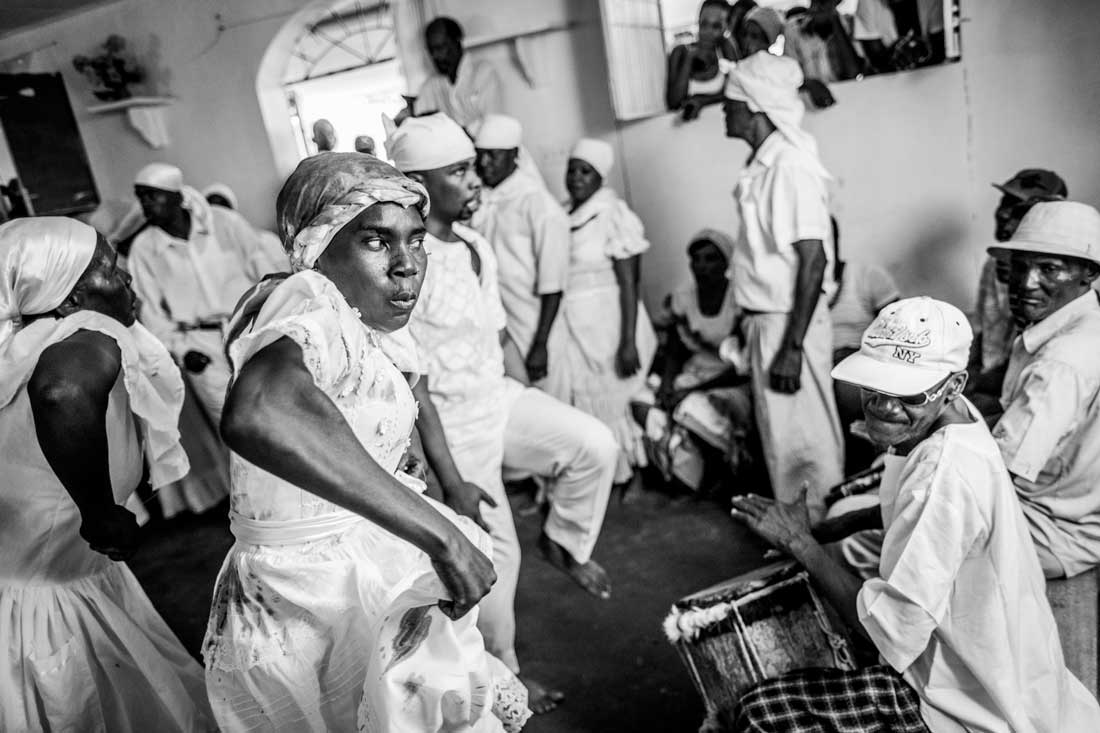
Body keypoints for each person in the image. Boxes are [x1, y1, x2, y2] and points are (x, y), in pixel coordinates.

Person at [201, 152, 529, 732]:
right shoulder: (309, 302)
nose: (408, 266)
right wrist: (444, 539)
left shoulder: (358, 323)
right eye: (376, 241)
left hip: (357, 565)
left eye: (416, 241)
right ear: (316, 247)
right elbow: (260, 410)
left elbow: (376, 407)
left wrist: (431, 478)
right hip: (306, 596)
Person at [730, 297, 1100, 732]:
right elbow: (919, 508)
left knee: (758, 711)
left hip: (969, 701)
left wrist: (801, 544)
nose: (884, 407)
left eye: (907, 393)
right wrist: (840, 524)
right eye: (874, 387)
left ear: (955, 383)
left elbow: (889, 634)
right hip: (1004, 667)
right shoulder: (956, 421)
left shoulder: (945, 473)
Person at [383, 113, 618, 713]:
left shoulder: (475, 247)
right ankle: (506, 678)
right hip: (451, 426)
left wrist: (530, 389)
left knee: (594, 445)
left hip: (499, 400)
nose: (473, 180)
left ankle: (564, 541)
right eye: (458, 170)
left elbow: (498, 334)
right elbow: (413, 380)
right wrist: (449, 477)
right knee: (492, 557)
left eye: (470, 167)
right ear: (417, 182)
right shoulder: (404, 259)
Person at [0, 217, 214, 731]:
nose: (127, 281)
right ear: (69, 296)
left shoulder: (25, 345)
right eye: (111, 271)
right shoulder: (83, 330)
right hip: (49, 596)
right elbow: (62, 393)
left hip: (44, 573)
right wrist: (99, 512)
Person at [722, 51, 844, 519]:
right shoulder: (764, 166)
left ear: (754, 108)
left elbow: (814, 259)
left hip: (787, 323)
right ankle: (800, 538)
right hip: (769, 322)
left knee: (805, 439)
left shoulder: (789, 166)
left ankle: (822, 546)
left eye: (730, 103)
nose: (724, 111)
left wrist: (792, 346)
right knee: (784, 441)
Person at [127, 163, 271, 514]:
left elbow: (265, 271)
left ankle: (301, 494)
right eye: (141, 198)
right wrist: (182, 350)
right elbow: (150, 315)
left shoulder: (223, 223)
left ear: (177, 196)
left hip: (251, 330)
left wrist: (274, 323)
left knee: (272, 409)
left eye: (153, 197)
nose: (146, 206)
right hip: (200, 347)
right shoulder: (145, 249)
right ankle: (260, 508)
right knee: (235, 429)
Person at [987, 201, 1100, 579]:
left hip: (1055, 531)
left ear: (1088, 274)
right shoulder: (1083, 328)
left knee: (866, 543)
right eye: (1020, 267)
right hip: (1073, 512)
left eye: (1048, 269)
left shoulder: (1060, 363)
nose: (1026, 282)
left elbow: (995, 474)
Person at [553, 138, 658, 482]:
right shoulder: (563, 214)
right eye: (572, 170)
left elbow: (630, 283)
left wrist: (627, 340)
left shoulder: (613, 214)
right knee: (586, 398)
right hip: (575, 324)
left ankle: (633, 475)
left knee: (617, 397)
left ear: (601, 177)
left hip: (609, 322)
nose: (576, 178)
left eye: (586, 172)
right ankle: (604, 476)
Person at [644, 228, 754, 492]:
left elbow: (742, 368)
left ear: (726, 262)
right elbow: (674, 349)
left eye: (711, 259)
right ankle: (684, 469)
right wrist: (669, 385)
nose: (702, 266)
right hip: (694, 373)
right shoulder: (683, 297)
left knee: (691, 407)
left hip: (729, 381)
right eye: (696, 259)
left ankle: (720, 471)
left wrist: (688, 391)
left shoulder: (740, 299)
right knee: (644, 400)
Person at [472, 114, 570, 385]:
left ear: (514, 155)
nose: (484, 163)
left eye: (493, 155)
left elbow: (554, 284)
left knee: (548, 406)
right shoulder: (480, 200)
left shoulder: (538, 205)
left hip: (533, 327)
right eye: (480, 155)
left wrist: (541, 344)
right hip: (499, 325)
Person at [969, 169, 1067, 411]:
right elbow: (984, 325)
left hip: (1032, 386)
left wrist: (976, 385)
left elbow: (1040, 354)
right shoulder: (993, 264)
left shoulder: (1067, 278)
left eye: (1017, 208)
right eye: (1004, 203)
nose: (1003, 214)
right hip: (993, 372)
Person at [829, 216, 900, 470]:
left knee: (848, 392)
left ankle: (858, 470)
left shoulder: (866, 276)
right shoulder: (796, 286)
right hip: (816, 365)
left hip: (858, 361)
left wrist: (858, 355)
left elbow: (898, 332)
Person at [737, 6, 836, 110]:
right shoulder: (736, 66)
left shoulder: (779, 67)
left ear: (769, 40)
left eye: (755, 36)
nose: (747, 41)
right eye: (744, 34)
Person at [414, 17, 503, 130]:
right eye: (431, 50)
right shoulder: (430, 87)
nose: (435, 55)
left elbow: (494, 127)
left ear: (457, 41)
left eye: (440, 47)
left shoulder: (484, 74)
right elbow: (419, 126)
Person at [666, 0, 737, 120]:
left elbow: (735, 91)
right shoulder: (680, 51)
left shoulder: (725, 50)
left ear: (727, 27)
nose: (707, 31)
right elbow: (674, 102)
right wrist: (689, 59)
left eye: (716, 26)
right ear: (698, 20)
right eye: (704, 24)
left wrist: (701, 101)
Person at [202, 181, 289, 273]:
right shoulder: (201, 255)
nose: (219, 213)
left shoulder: (264, 239)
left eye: (222, 207)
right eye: (213, 209)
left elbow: (283, 271)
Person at [782, 0, 863, 83]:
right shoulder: (793, 30)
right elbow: (791, 72)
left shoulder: (843, 23)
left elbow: (853, 71)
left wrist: (834, 20)